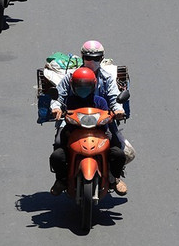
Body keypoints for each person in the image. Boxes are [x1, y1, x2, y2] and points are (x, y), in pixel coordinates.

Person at [49, 67, 128, 197]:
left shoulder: (100, 101)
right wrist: (57, 109)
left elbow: (113, 103)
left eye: (86, 86)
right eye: (79, 86)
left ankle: (114, 178)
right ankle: (61, 180)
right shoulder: (70, 101)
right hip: (74, 132)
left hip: (99, 132)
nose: (83, 89)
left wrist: (117, 112)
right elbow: (59, 100)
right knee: (57, 152)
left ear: (93, 86)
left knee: (118, 152)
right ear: (73, 86)